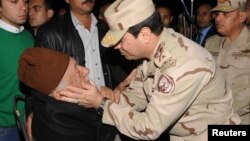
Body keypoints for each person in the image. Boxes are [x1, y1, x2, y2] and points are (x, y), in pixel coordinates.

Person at [57, 0, 241, 141]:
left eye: (121, 40)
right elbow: (137, 96)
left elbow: (149, 128)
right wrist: (104, 96)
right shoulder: (151, 55)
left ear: (144, 34)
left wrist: (102, 104)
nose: (116, 47)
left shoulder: (181, 65)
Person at [28, 0, 118, 140]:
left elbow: (117, 70)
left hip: (108, 113)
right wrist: (33, 112)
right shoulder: (50, 32)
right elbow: (38, 80)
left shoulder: (108, 29)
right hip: (72, 122)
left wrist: (118, 90)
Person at [18, 47, 118, 141]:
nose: (86, 71)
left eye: (77, 64)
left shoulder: (46, 99)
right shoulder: (67, 130)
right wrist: (106, 106)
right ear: (61, 94)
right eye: (77, 71)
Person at [205, 0, 250, 124]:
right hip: (210, 119)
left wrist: (223, 111)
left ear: (241, 16)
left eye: (225, 14)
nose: (218, 18)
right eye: (217, 13)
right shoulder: (211, 43)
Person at [0, 0, 34, 141]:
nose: (23, 7)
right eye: (14, 1)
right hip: (4, 127)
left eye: (25, 1)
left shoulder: (29, 37)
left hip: (31, 120)